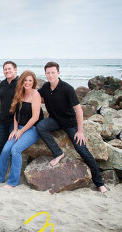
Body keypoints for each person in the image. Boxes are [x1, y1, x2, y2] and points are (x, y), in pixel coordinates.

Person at [37, 62, 108, 194]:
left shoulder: (67, 88)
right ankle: (58, 153)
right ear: (45, 74)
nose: (50, 75)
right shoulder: (46, 87)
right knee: (40, 127)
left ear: (58, 73)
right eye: (48, 73)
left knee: (82, 149)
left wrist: (80, 131)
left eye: (53, 72)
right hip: (54, 121)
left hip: (70, 123)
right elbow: (34, 95)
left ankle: (100, 183)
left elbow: (79, 110)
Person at [0, 71, 43, 188]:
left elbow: (35, 117)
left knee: (15, 150)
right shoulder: (20, 93)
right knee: (6, 149)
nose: (27, 83)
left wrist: (21, 132)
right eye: (25, 80)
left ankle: (13, 182)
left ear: (33, 82)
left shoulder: (35, 94)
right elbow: (16, 114)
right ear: (21, 81)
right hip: (19, 128)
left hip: (32, 129)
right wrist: (15, 129)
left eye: (30, 81)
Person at [0, 61, 18, 179]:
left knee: (11, 147)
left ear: (15, 69)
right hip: (2, 119)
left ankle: (9, 170)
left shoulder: (20, 83)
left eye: (9, 69)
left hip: (14, 120)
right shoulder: (3, 83)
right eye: (5, 69)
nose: (7, 71)